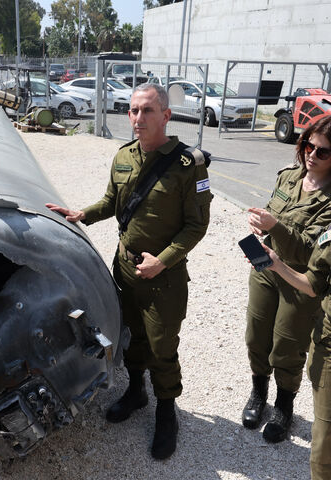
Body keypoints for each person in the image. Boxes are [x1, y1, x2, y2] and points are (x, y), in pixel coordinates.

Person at [46, 83, 212, 459]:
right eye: (134, 110)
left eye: (147, 111)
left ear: (166, 116)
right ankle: (137, 392)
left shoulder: (189, 165)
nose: (137, 118)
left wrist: (163, 260)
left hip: (163, 277)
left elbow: (196, 226)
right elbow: (112, 201)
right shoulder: (123, 157)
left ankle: (167, 413)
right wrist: (82, 214)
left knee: (162, 346)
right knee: (131, 335)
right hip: (125, 266)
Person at [242, 116, 331, 443]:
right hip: (266, 270)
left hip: (298, 280)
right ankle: (258, 392)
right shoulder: (288, 176)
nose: (312, 155)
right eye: (309, 145)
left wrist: (275, 225)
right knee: (256, 336)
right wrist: (260, 227)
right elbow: (271, 212)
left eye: (323, 152)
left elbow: (312, 252)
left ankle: (284, 405)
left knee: (287, 346)